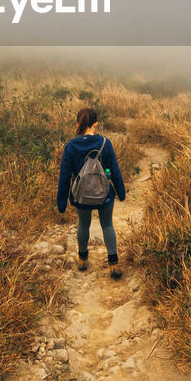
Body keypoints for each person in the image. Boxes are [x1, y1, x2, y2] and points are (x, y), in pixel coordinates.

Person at [57, 107, 127, 278]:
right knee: (107, 225)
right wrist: (121, 191)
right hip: (105, 195)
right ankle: (113, 263)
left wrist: (61, 201)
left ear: (77, 123)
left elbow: (65, 175)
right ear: (96, 124)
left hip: (80, 196)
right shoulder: (105, 143)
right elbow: (115, 170)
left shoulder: (71, 146)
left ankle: (82, 259)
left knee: (83, 225)